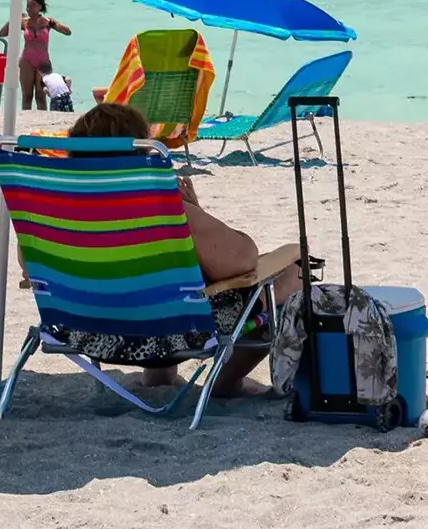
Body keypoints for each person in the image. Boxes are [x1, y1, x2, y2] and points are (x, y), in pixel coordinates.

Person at [65, 103, 300, 397]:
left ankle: (159, 379)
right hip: (169, 337)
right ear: (141, 150)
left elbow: (30, 266)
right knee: (292, 272)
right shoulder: (162, 207)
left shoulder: (56, 210)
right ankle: (226, 383)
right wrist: (192, 211)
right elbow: (242, 261)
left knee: (155, 278)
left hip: (85, 329)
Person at [0, 0, 70, 111]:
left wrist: (52, 23)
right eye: (27, 6)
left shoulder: (47, 22)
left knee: (40, 96)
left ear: (40, 7)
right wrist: (14, 19)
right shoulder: (24, 22)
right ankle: (26, 121)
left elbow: (67, 32)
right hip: (26, 61)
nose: (29, 9)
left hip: (43, 62)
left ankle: (42, 123)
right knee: (27, 96)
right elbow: (2, 34)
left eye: (32, 6)